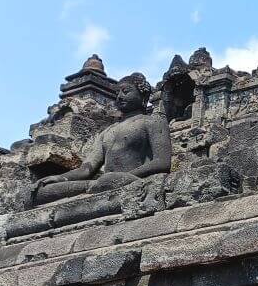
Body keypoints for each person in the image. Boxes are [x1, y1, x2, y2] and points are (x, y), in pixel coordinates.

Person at [34, 73, 171, 204]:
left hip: (134, 181)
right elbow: (86, 170)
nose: (120, 97)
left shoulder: (152, 122)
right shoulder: (106, 132)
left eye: (126, 91)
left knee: (108, 182)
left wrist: (126, 177)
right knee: (42, 192)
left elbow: (162, 162)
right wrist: (60, 178)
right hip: (101, 184)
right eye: (117, 93)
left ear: (143, 96)